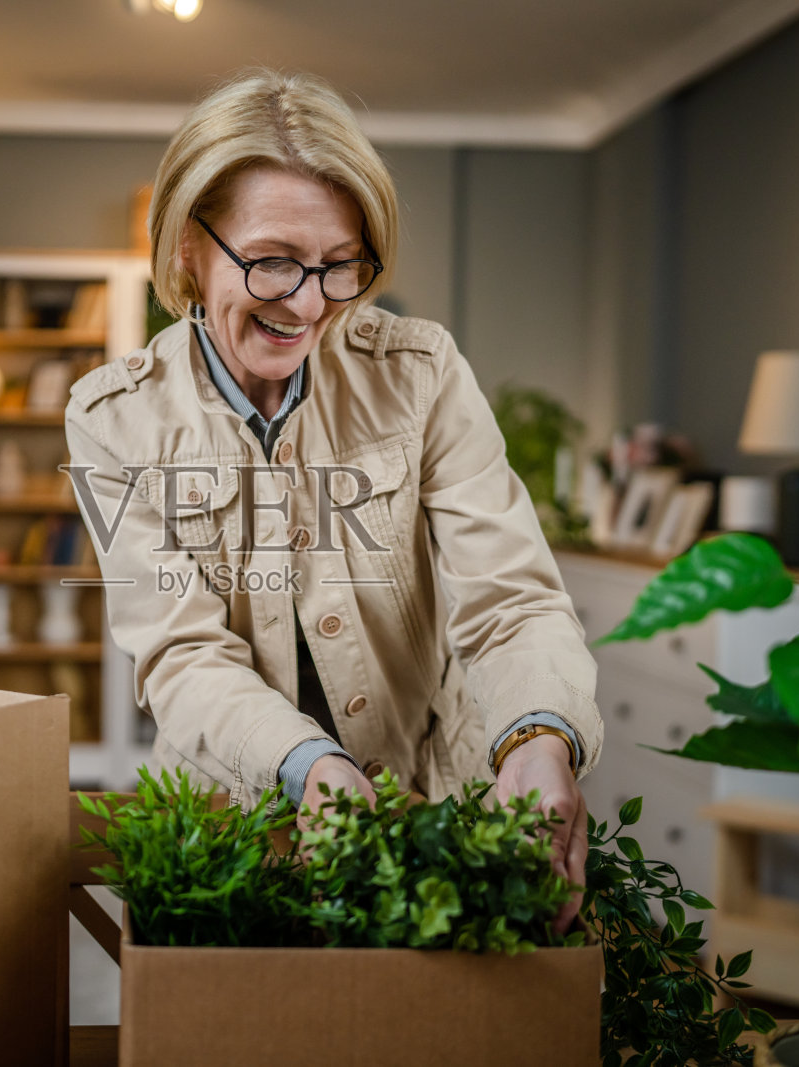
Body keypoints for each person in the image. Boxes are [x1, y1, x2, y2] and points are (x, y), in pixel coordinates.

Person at [64, 69, 601, 927]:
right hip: (226, 838)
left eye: (339, 266)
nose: (308, 303)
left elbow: (511, 601)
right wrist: (306, 762)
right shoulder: (114, 418)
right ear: (185, 250)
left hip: (431, 819)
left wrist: (539, 737)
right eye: (273, 261)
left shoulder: (420, 376)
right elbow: (184, 653)